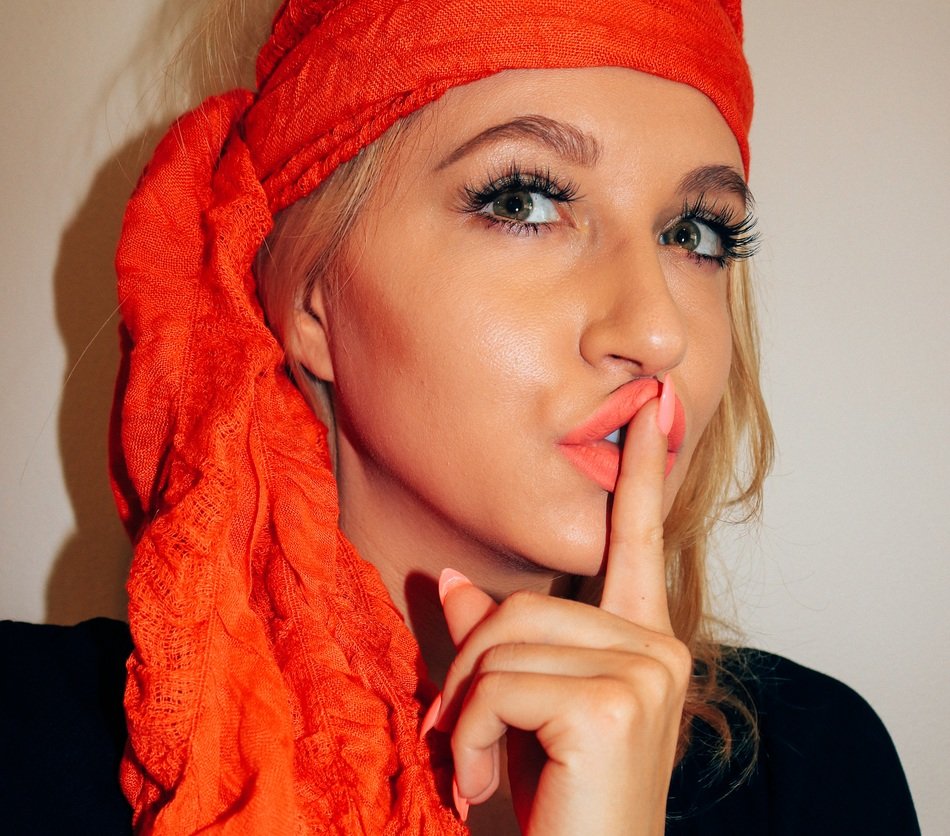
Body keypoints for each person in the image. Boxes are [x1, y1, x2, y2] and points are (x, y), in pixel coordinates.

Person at [0, 0, 920, 834]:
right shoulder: (27, 749)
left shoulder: (815, 771)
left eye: (697, 234)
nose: (655, 329)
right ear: (312, 304)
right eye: (524, 201)